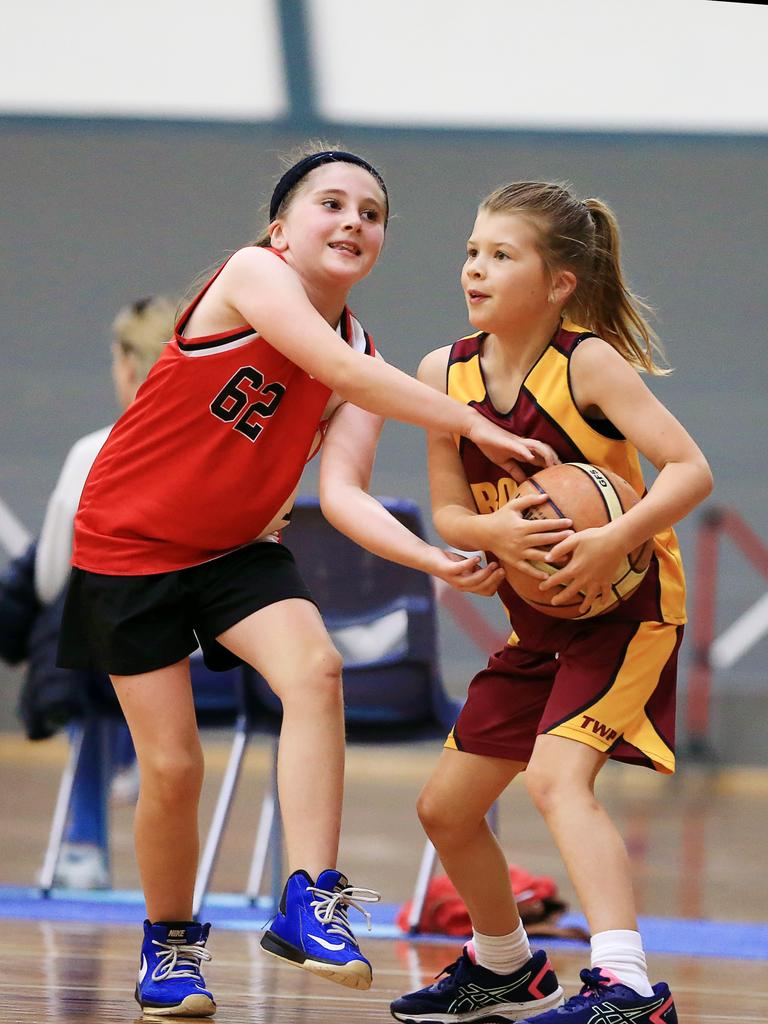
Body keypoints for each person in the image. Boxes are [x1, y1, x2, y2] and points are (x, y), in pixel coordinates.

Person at [56, 147, 556, 1018]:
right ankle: (171, 947)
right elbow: (347, 377)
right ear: (283, 229)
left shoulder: (361, 346)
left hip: (234, 550)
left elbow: (345, 495)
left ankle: (308, 897)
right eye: (334, 203)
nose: (355, 221)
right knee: (172, 769)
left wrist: (431, 557)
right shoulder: (253, 277)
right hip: (127, 545)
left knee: (317, 670)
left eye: (373, 213)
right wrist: (475, 420)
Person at [390, 181, 712, 1024]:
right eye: (471, 251)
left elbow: (690, 471)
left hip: (630, 607)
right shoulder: (443, 373)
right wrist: (490, 536)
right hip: (541, 619)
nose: (475, 269)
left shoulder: (589, 363)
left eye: (501, 254)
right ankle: (504, 965)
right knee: (446, 809)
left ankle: (629, 986)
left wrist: (613, 537)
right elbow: (451, 509)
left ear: (558, 281)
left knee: (558, 780)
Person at [32, 297, 176, 888]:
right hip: (220, 663)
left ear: (125, 363)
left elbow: (48, 579)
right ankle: (131, 755)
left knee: (81, 647)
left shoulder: (94, 452)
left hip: (122, 654)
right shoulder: (221, 451)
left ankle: (86, 843)